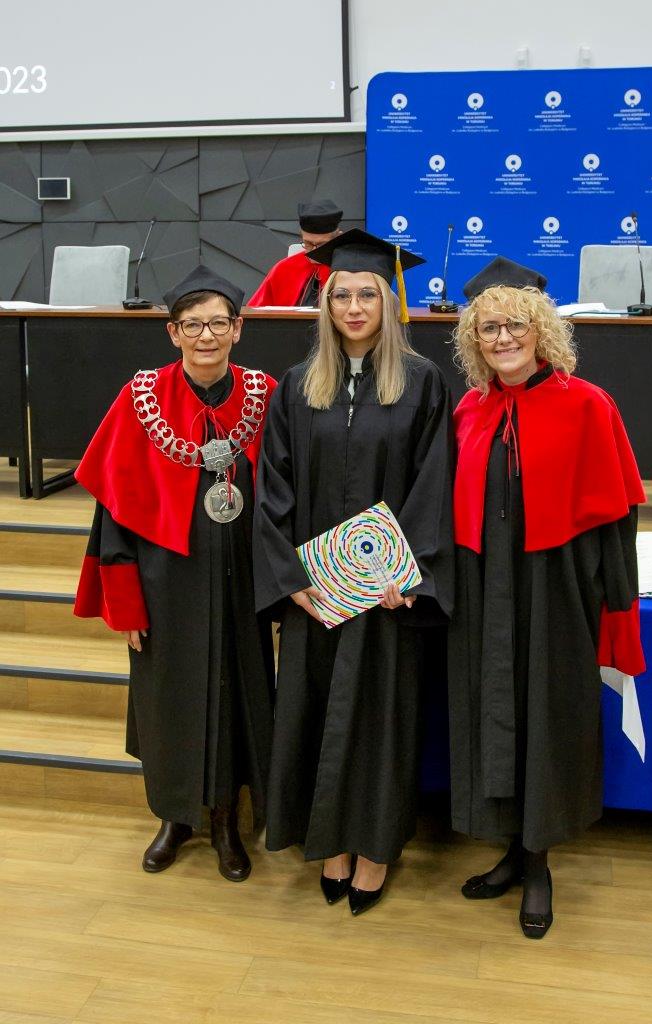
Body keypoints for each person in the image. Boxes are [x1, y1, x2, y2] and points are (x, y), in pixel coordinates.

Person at [253, 229, 454, 915]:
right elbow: (273, 486)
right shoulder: (297, 386)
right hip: (317, 593)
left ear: (388, 302)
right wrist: (290, 577)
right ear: (326, 303)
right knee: (313, 712)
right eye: (342, 296)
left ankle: (374, 850)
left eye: (368, 294)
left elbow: (434, 483)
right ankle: (329, 846)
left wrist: (411, 571)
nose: (355, 307)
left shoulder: (422, 383)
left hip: (386, 594)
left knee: (380, 720)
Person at [448, 256, 646, 938]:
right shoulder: (470, 409)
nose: (503, 337)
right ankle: (511, 848)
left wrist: (617, 607)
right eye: (489, 327)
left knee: (547, 716)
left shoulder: (587, 403)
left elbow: (618, 518)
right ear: (474, 340)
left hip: (556, 587)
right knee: (493, 712)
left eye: (516, 325)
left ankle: (539, 864)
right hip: (483, 587)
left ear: (542, 330)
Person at [73, 265, 277, 881]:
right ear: (173, 332)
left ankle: (226, 821)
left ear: (238, 329)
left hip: (241, 581)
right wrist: (125, 601)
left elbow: (289, 495)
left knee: (235, 695)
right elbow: (112, 509)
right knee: (166, 699)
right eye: (193, 325)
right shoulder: (141, 399)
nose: (206, 336)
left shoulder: (265, 396)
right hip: (164, 582)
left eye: (218, 323)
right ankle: (173, 817)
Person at [247, 199, 343, 307]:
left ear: (338, 238)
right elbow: (255, 311)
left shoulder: (348, 268)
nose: (314, 252)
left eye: (322, 245)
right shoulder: (283, 269)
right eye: (308, 244)